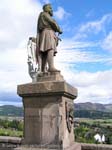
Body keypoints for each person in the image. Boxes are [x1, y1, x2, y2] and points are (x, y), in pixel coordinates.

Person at [36, 3, 62, 73]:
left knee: (45, 51)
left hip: (47, 33)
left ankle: (43, 69)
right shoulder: (44, 14)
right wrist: (59, 29)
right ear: (46, 9)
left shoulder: (43, 15)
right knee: (50, 48)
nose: (51, 10)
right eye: (50, 8)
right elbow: (52, 22)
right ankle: (51, 67)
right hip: (48, 33)